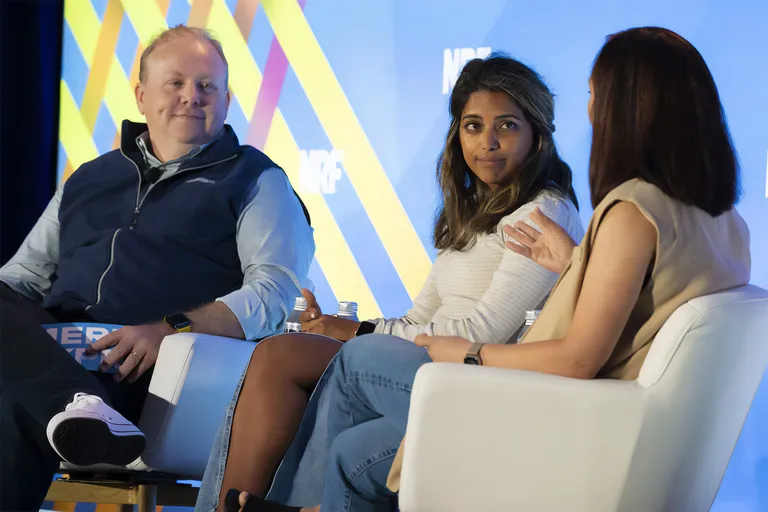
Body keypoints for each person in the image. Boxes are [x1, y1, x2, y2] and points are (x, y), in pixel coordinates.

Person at [226, 26, 751, 512]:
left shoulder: (630, 213)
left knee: (357, 360)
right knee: (357, 448)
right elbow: (646, 313)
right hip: (604, 418)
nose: (590, 109)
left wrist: (468, 354)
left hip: (563, 419)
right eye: (473, 126)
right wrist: (577, 264)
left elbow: (577, 358)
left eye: (596, 94)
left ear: (628, 107)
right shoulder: (726, 222)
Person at [197, 54, 584, 511]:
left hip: (474, 376)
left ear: (537, 133)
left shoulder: (542, 214)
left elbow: (482, 332)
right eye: (473, 126)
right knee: (281, 353)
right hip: (431, 364)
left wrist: (360, 332)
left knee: (334, 356)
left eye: (507, 126)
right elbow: (419, 318)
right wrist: (347, 326)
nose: (489, 142)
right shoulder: (472, 215)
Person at [0, 25, 314, 511]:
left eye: (207, 86)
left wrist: (172, 327)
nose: (192, 96)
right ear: (142, 96)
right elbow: (21, 279)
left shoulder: (256, 179)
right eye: (176, 82)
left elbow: (274, 292)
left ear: (227, 101)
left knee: (9, 399)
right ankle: (73, 402)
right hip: (52, 352)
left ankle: (76, 404)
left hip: (144, 370)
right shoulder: (89, 178)